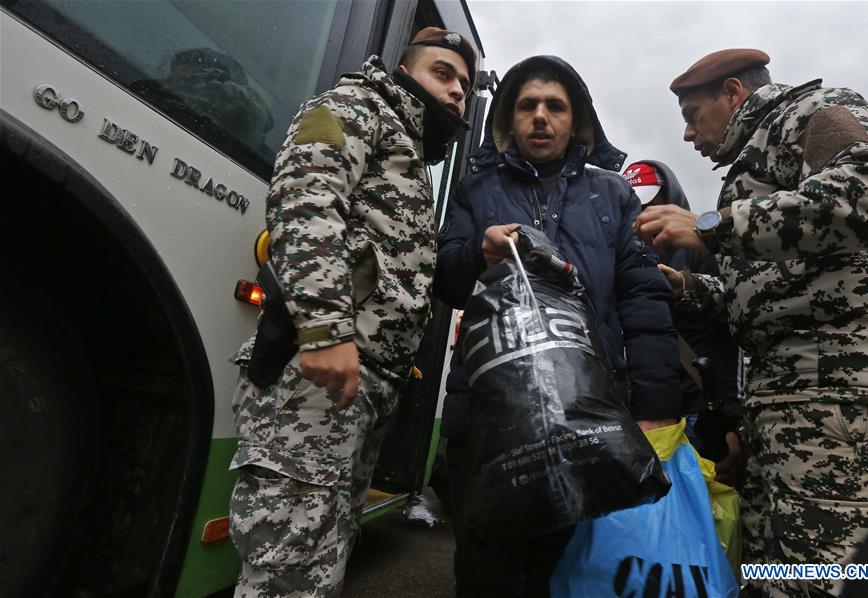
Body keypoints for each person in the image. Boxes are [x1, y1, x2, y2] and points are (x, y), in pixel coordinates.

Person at [633, 48, 868, 597]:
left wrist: (710, 225)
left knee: (836, 573)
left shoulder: (812, 114)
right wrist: (686, 286)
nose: (687, 134)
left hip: (841, 409)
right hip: (781, 413)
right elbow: (763, 293)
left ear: (734, 94)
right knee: (771, 571)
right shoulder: (747, 169)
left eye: (691, 115)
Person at [227, 27, 476, 597]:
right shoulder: (356, 106)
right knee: (288, 566)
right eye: (443, 73)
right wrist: (324, 331)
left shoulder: (410, 154)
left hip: (361, 385)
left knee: (319, 558)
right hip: (318, 375)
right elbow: (307, 198)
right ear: (404, 72)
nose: (458, 91)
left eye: (464, 83)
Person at [436, 55, 682, 597]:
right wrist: (479, 254)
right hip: (488, 423)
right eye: (527, 106)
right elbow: (445, 282)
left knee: (572, 575)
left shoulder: (612, 195)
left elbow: (642, 300)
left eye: (555, 106)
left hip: (589, 419)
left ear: (577, 120)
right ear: (509, 119)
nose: (540, 117)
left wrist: (656, 409)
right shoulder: (476, 191)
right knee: (486, 576)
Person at [624, 160, 743, 483]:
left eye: (652, 203)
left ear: (671, 201)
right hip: (639, 418)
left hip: (697, 417)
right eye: (635, 205)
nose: (643, 214)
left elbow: (724, 337)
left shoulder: (700, 252)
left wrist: (729, 422)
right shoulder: (618, 258)